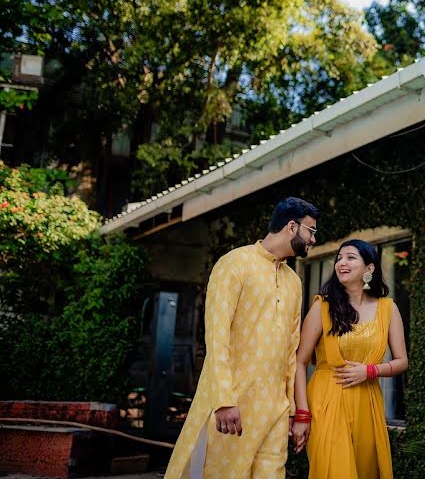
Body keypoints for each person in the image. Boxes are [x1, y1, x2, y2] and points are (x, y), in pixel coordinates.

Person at [164, 197, 320, 478]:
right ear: (291, 226)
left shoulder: (293, 282)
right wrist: (224, 400)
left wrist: (290, 410)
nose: (312, 240)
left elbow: (290, 351)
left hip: (274, 409)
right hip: (234, 405)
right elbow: (217, 337)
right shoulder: (234, 264)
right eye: (311, 231)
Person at [291, 239, 408, 479]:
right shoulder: (322, 307)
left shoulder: (387, 308)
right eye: (339, 258)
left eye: (351, 257)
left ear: (369, 269)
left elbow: (401, 361)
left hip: (368, 402)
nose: (342, 262)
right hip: (327, 400)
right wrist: (302, 414)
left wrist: (370, 371)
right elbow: (300, 361)